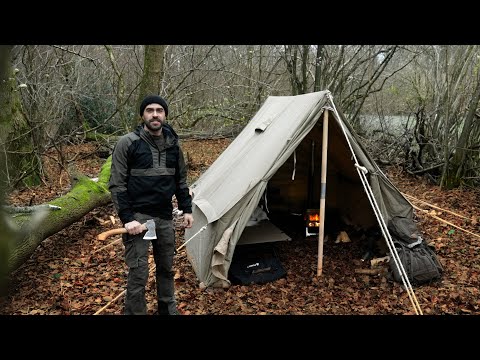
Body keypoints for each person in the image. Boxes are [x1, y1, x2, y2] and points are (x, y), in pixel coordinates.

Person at [109, 94, 194, 315]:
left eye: (159, 110)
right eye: (149, 110)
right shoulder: (128, 143)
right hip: (138, 218)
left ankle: (168, 311)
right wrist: (128, 219)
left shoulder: (173, 144)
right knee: (139, 272)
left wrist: (187, 208)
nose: (155, 114)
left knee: (166, 269)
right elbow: (117, 184)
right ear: (142, 115)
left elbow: (180, 180)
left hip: (164, 218)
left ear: (165, 114)